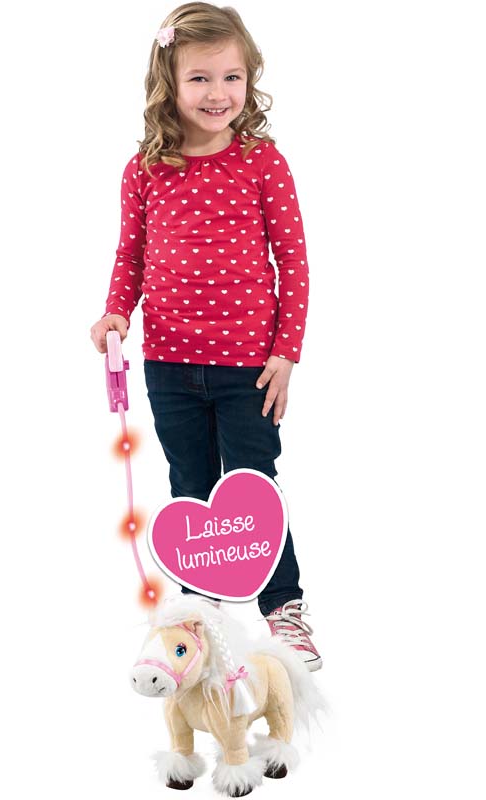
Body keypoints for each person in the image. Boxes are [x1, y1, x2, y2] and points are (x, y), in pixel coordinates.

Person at [90, 3, 321, 671]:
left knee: (253, 487)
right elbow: (131, 255)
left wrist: (286, 353)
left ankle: (284, 608)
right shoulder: (144, 169)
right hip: (168, 364)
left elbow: (294, 260)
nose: (218, 93)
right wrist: (115, 313)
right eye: (199, 78)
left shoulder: (262, 162)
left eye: (232, 77)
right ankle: (199, 616)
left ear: (249, 80)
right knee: (190, 488)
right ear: (168, 82)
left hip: (249, 366)